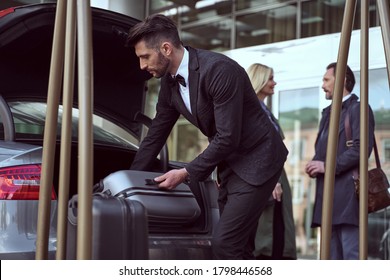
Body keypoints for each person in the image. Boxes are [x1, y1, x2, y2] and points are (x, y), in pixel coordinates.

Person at [126, 14, 288, 259]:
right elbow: (155, 135)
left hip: (259, 159)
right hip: (229, 162)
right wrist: (130, 179)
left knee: (225, 244)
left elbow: (228, 136)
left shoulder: (220, 70)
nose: (142, 66)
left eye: (144, 57)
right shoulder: (170, 85)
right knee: (239, 246)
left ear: (166, 49)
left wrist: (186, 172)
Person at [305, 62, 375, 259]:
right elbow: (326, 151)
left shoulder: (358, 108)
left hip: (347, 198)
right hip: (327, 197)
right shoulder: (327, 113)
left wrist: (325, 166)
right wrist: (314, 164)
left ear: (342, 80)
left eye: (326, 80)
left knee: (350, 258)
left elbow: (362, 149)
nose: (322, 85)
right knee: (330, 259)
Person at [246, 63, 297, 260]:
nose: (274, 83)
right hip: (267, 177)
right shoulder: (252, 111)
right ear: (259, 80)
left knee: (278, 230)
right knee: (267, 233)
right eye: (270, 78)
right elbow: (257, 149)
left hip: (276, 176)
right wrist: (272, 180)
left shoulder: (265, 111)